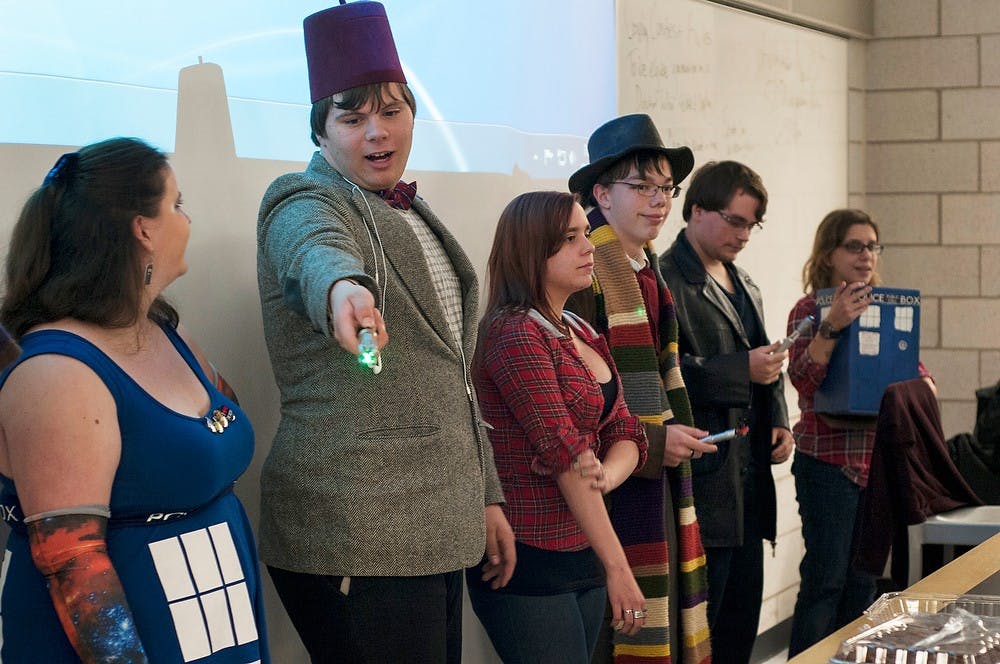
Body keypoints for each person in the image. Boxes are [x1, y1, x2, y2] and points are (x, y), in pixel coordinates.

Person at [255, 3, 513, 661]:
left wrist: (483, 495)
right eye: (352, 116)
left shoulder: (413, 208)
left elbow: (449, 376)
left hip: (433, 520)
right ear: (321, 133)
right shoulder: (304, 197)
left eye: (392, 111)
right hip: (356, 529)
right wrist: (342, 288)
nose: (377, 131)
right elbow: (312, 247)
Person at [0, 138, 269, 662]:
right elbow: (70, 560)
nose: (187, 221)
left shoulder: (168, 333)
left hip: (215, 615)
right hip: (130, 641)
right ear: (143, 229)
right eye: (177, 204)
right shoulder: (57, 372)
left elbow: (217, 424)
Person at [468, 191, 650, 662]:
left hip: (583, 546)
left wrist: (606, 475)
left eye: (584, 234)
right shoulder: (513, 331)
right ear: (532, 250)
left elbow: (627, 430)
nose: (588, 247)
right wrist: (619, 568)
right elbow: (565, 451)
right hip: (530, 556)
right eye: (570, 239)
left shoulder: (580, 327)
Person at [566, 113, 714, 664]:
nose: (658, 201)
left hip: (649, 470)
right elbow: (581, 392)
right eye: (641, 187)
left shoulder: (645, 268)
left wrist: (665, 433)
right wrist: (654, 439)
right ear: (600, 194)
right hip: (606, 484)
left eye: (665, 189)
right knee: (622, 635)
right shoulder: (588, 268)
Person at [660, 160, 792, 664]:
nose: (745, 235)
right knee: (702, 636)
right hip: (706, 480)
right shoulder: (667, 278)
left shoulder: (745, 283)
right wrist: (741, 368)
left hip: (748, 481)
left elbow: (767, 363)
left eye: (752, 224)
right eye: (735, 221)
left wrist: (778, 417)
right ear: (695, 211)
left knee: (740, 630)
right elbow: (663, 372)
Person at [785, 209, 932, 656]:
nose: (866, 255)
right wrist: (835, 323)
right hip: (827, 464)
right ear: (829, 253)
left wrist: (924, 387)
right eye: (855, 245)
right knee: (826, 582)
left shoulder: (890, 306)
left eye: (872, 246)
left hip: (876, 466)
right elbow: (803, 379)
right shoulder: (810, 309)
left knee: (863, 584)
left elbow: (915, 375)